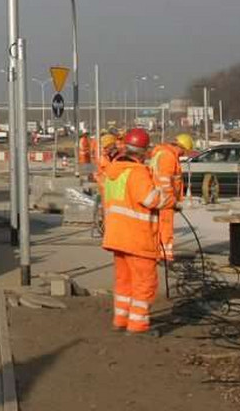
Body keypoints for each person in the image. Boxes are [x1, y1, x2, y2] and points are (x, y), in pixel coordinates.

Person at [100, 127, 167, 335]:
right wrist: (167, 198)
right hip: (137, 238)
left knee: (124, 281)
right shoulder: (137, 173)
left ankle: (121, 319)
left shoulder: (112, 173)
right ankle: (138, 325)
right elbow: (150, 199)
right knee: (144, 282)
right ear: (143, 152)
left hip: (117, 236)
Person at [146, 133, 192, 261]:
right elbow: (165, 182)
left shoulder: (163, 153)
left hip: (159, 198)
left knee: (158, 227)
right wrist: (172, 201)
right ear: (181, 147)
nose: (184, 154)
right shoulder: (168, 157)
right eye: (184, 151)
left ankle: (157, 252)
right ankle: (166, 254)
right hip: (165, 199)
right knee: (166, 228)